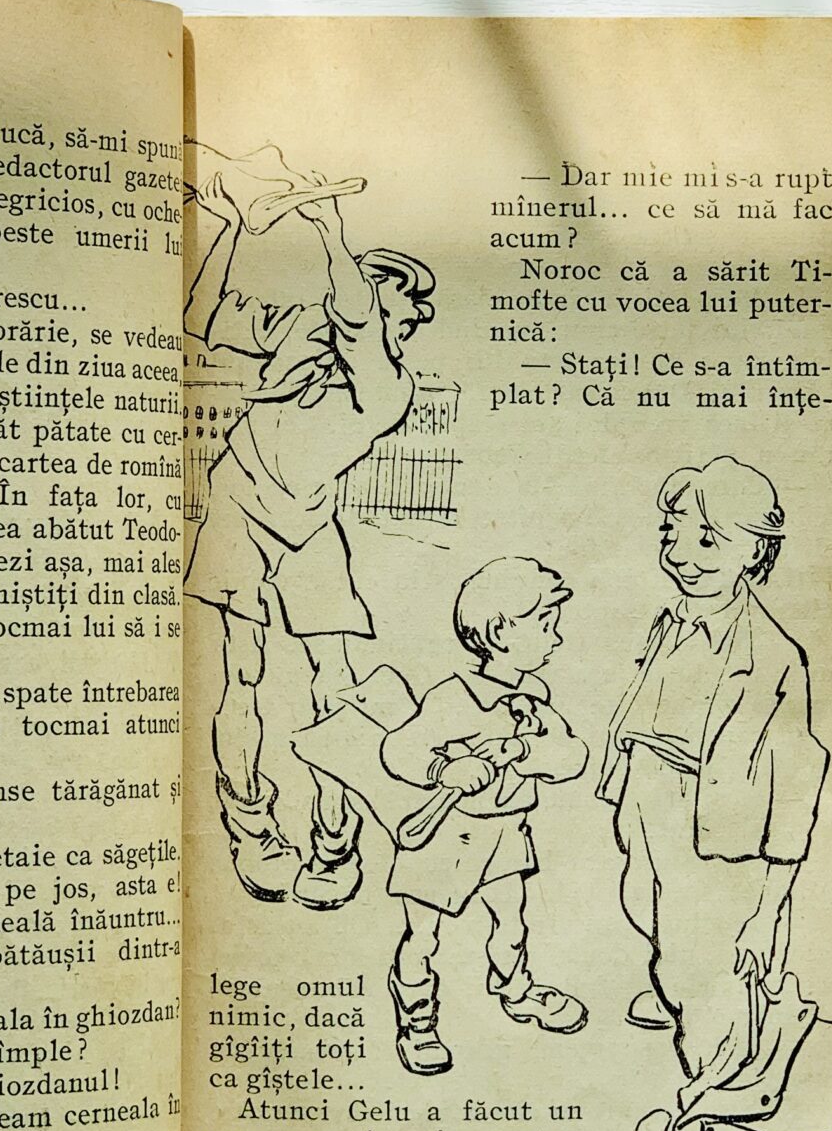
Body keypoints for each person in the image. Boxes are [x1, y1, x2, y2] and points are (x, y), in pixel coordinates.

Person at [601, 456, 832, 1131]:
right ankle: (687, 994)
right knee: (647, 911)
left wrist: (768, 903)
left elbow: (797, 782)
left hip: (716, 828)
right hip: (651, 800)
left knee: (711, 964)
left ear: (755, 551)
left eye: (708, 541)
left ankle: (714, 1112)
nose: (684, 555)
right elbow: (642, 705)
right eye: (674, 535)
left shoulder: (774, 655)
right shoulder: (672, 620)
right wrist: (624, 788)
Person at [183, 150, 435, 909]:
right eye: (385, 311)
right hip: (239, 500)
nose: (386, 330)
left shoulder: (387, 385)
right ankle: (251, 825)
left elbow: (356, 318)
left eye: (394, 320)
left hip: (307, 524)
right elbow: (201, 318)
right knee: (243, 673)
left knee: (336, 686)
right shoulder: (303, 332)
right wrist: (233, 226)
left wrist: (329, 226)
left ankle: (333, 837)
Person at [379, 558, 589, 1076]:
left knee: (511, 922)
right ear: (499, 633)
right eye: (545, 624)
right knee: (423, 937)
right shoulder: (453, 698)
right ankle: (417, 1018)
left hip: (505, 833)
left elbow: (572, 755)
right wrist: (444, 768)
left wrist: (522, 750)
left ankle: (516, 989)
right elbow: (398, 750)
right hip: (444, 838)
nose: (556, 637)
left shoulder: (534, 700)